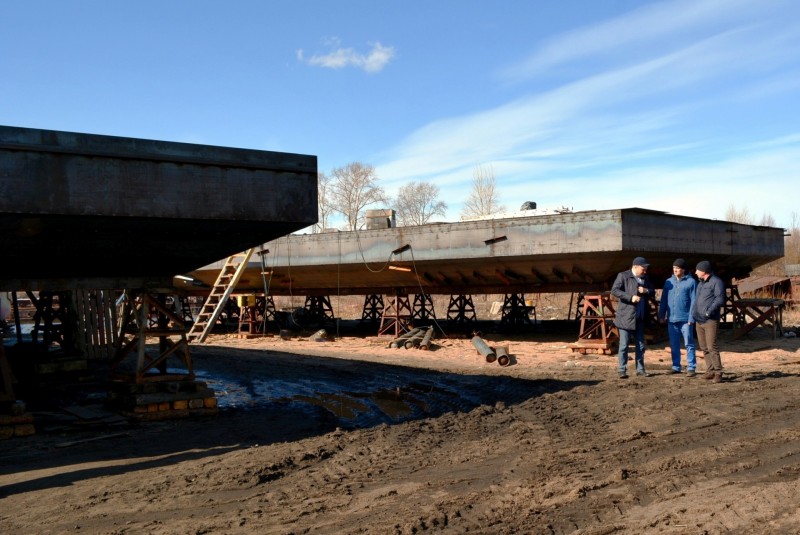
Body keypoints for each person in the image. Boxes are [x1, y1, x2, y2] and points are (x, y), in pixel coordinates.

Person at [612, 256, 655, 378]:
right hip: (626, 317)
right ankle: (622, 370)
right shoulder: (623, 276)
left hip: (640, 317)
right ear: (635, 267)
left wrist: (646, 290)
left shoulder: (645, 278)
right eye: (643, 269)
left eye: (646, 269)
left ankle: (640, 370)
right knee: (624, 345)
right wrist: (630, 297)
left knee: (640, 345)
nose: (645, 271)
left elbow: (652, 291)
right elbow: (614, 290)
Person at [659, 258, 697, 376]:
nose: (675, 270)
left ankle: (691, 367)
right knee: (674, 344)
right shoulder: (668, 282)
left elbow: (694, 301)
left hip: (685, 319)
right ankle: (676, 366)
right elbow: (664, 299)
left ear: (683, 269)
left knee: (689, 343)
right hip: (671, 319)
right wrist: (662, 314)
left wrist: (691, 318)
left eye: (678, 268)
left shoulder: (691, 282)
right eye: (674, 268)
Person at [692, 260, 726, 383]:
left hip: (710, 320)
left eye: (697, 270)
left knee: (712, 347)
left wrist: (708, 312)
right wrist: (693, 314)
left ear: (704, 271)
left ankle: (718, 372)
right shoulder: (700, 283)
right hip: (699, 320)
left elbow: (720, 299)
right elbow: (697, 300)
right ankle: (710, 370)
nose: (695, 272)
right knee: (704, 347)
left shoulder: (717, 282)